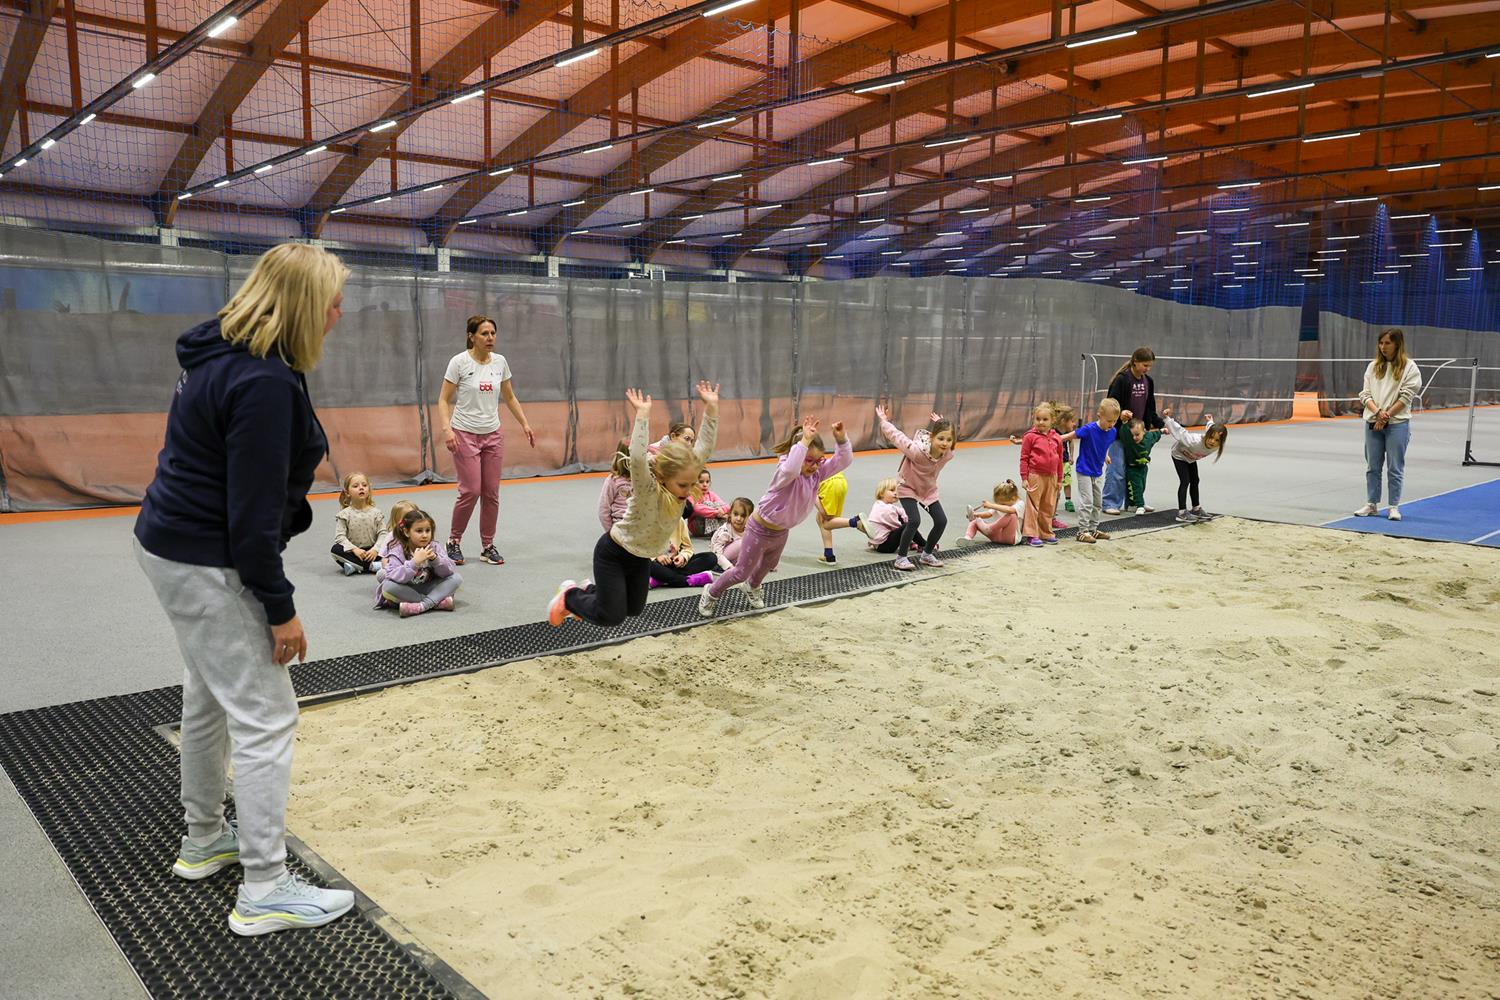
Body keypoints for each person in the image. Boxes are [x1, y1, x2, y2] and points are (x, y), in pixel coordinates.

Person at [133, 242, 355, 936]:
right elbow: (251, 520)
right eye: (332, 303)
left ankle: (205, 839)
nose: (338, 314)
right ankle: (264, 888)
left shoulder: (225, 355)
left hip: (170, 544)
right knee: (266, 716)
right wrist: (279, 609)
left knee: (209, 695)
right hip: (206, 558)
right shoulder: (261, 381)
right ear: (303, 307)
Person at [550, 382, 719, 627]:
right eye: (682, 485)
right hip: (614, 553)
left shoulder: (683, 479)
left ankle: (590, 590)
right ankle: (569, 596)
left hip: (641, 557)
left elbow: (704, 448)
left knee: (633, 609)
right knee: (611, 616)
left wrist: (711, 409)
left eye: (690, 484)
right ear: (663, 477)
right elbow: (638, 457)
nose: (687, 491)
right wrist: (642, 415)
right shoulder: (647, 490)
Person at [698, 416, 853, 616]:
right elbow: (791, 469)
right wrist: (804, 442)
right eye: (809, 460)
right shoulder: (785, 473)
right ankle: (711, 592)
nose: (815, 466)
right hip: (759, 529)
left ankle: (752, 586)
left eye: (819, 461)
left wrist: (841, 439)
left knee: (769, 565)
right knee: (741, 572)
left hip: (780, 532)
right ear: (797, 454)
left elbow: (843, 461)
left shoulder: (816, 474)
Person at [437, 314, 536, 568]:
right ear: (472, 337)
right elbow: (443, 399)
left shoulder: (500, 362)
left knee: (491, 493)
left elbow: (510, 397)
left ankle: (487, 546)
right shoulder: (459, 362)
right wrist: (447, 430)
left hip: (493, 435)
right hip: (463, 434)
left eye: (492, 333)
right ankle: (453, 541)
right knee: (471, 490)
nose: (490, 338)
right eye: (484, 333)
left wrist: (525, 423)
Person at [876, 405, 956, 570]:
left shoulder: (947, 455)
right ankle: (901, 558)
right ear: (932, 437)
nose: (944, 443)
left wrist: (940, 422)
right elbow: (897, 437)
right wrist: (884, 422)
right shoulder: (916, 451)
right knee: (914, 520)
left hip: (927, 489)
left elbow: (946, 436)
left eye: (949, 440)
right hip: (907, 487)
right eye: (940, 438)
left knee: (941, 521)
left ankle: (926, 554)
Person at [1354, 328, 1422, 521]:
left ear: (1397, 344)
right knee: (1372, 466)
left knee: (1395, 467)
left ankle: (1393, 507)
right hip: (1372, 423)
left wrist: (1386, 416)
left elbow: (1407, 396)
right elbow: (1365, 394)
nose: (1383, 347)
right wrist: (1377, 413)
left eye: (1388, 343)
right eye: (1381, 343)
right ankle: (1371, 504)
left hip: (1397, 424)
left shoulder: (1410, 368)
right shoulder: (1372, 367)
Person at [1103, 349, 1163, 515]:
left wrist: (1162, 424)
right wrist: (1120, 413)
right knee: (1117, 469)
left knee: (1137, 469)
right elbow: (1110, 405)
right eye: (1145, 365)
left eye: (1150, 366)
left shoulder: (1148, 381)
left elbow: (1150, 408)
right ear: (1135, 361)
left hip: (1138, 435)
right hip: (1119, 433)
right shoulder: (1122, 380)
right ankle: (1110, 502)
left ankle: (1135, 502)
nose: (1147, 369)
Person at [375, 508, 462, 616]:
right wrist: (414, 563)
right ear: (407, 532)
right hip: (407, 588)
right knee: (387, 587)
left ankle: (421, 606)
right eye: (419, 531)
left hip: (428, 586)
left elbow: (448, 572)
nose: (424, 535)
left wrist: (435, 560)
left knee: (457, 578)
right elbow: (394, 576)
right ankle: (436, 602)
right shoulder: (397, 550)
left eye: (428, 530)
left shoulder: (434, 546)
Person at [1061, 398, 1125, 544]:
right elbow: (1068, 436)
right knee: (1087, 502)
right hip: (1084, 470)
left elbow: (1104, 445)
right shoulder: (1089, 429)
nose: (1111, 424)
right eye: (1109, 421)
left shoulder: (1112, 431)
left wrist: (1106, 455)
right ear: (1099, 415)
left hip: (1098, 471)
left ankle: (1093, 529)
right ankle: (1082, 531)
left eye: (1115, 421)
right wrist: (1052, 439)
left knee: (1097, 503)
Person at [1161, 407, 1227, 522]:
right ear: (1207, 436)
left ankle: (1196, 509)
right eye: (1211, 438)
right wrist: (1167, 419)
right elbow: (1180, 432)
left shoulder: (1216, 445)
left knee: (1195, 480)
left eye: (1217, 440)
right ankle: (1182, 512)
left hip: (1191, 458)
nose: (1212, 442)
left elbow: (1210, 428)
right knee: (1185, 481)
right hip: (1179, 455)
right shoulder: (1194, 441)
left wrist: (1210, 421)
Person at [1019, 403, 1064, 546]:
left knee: (1048, 505)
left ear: (1052, 420)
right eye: (1038, 419)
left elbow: (1059, 459)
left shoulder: (1057, 438)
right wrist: (1024, 478)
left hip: (1052, 477)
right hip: (1035, 476)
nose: (1041, 422)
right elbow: (1024, 458)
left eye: (1045, 419)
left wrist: (1060, 479)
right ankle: (1031, 534)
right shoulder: (1029, 437)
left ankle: (1046, 532)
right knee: (1033, 506)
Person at [331, 472, 384, 575]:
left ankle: (355, 566)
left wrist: (375, 550)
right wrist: (354, 549)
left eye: (364, 485)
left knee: (391, 546)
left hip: (372, 552)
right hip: (354, 552)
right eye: (355, 486)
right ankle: (373, 566)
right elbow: (340, 537)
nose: (361, 488)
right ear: (347, 493)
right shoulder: (344, 514)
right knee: (335, 549)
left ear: (369, 489)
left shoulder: (376, 513)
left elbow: (383, 533)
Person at [813, 470, 869, 563]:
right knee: (820, 518)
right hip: (840, 480)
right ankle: (829, 555)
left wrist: (823, 512)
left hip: (828, 484)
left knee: (826, 523)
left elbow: (811, 494)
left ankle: (855, 522)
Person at [649, 517, 718, 588]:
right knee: (648, 565)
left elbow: (688, 547)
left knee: (711, 557)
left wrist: (683, 556)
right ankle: (687, 581)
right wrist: (656, 556)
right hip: (655, 562)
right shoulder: (647, 519)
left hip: (675, 563)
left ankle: (662, 578)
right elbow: (641, 550)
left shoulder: (678, 519)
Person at [865, 478, 926, 554]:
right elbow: (898, 527)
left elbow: (899, 511)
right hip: (885, 546)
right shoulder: (887, 510)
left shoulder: (878, 504)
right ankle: (924, 544)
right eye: (892, 490)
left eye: (897, 491)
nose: (896, 493)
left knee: (905, 523)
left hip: (878, 544)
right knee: (908, 526)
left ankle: (911, 542)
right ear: (881, 493)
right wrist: (913, 533)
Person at [1119, 418, 1163, 514]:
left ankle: (1135, 504)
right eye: (1132, 435)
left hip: (1143, 468)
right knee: (1136, 487)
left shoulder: (1148, 438)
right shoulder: (1129, 441)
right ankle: (1139, 505)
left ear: (1144, 431)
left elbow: (1155, 435)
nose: (1135, 437)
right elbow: (1124, 432)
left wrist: (1162, 431)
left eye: (1137, 434)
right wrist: (1125, 422)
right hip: (1132, 468)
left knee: (1142, 486)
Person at [597, 437, 633, 532]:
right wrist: (610, 532)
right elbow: (603, 509)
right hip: (619, 527)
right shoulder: (613, 480)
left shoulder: (643, 479)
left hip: (639, 527)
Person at [711, 497, 753, 570]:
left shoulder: (748, 529)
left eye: (743, 516)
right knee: (743, 542)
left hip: (735, 559)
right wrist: (730, 567)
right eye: (736, 514)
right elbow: (716, 553)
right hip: (719, 559)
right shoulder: (724, 531)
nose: (738, 519)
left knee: (754, 540)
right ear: (730, 514)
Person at [687, 468, 731, 537]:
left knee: (721, 506)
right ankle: (717, 531)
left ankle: (722, 529)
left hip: (712, 521)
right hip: (697, 526)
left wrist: (722, 510)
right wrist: (716, 513)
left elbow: (725, 505)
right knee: (708, 504)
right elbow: (696, 508)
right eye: (701, 482)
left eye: (707, 482)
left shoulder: (712, 494)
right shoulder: (692, 496)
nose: (705, 485)